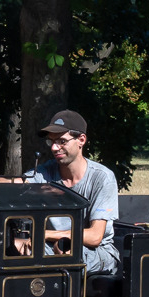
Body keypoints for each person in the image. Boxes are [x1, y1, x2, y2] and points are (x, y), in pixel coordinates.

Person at [25, 110, 120, 276]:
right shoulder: (44, 173)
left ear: (81, 140)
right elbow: (17, 183)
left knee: (63, 253)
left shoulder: (102, 178)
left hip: (98, 252)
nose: (54, 148)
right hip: (51, 245)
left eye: (62, 141)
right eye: (51, 142)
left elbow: (95, 236)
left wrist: (47, 234)